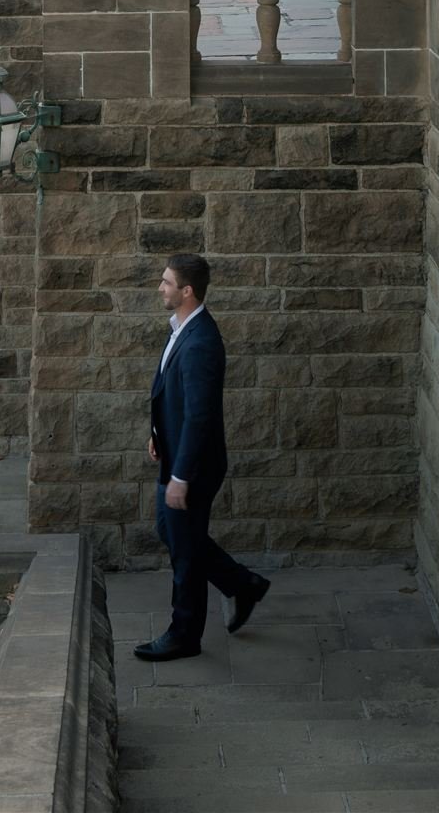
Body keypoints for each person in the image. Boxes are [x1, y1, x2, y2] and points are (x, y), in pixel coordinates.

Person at [134, 252, 269, 662]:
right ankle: (242, 584)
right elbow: (167, 390)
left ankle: (184, 635)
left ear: (187, 291)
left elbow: (199, 416)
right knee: (172, 532)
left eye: (167, 282)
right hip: (174, 454)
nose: (161, 287)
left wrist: (181, 476)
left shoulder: (202, 343)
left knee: (185, 550)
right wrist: (157, 433)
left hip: (191, 468)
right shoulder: (181, 327)